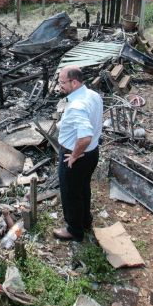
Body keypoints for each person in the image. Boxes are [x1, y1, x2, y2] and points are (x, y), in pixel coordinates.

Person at [54, 65, 104, 242]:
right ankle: (85, 220)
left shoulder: (77, 105)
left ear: (74, 82)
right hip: (92, 154)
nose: (60, 86)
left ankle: (74, 230)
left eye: (62, 82)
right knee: (83, 188)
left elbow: (85, 137)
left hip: (77, 155)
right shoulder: (92, 95)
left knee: (70, 192)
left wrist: (74, 155)